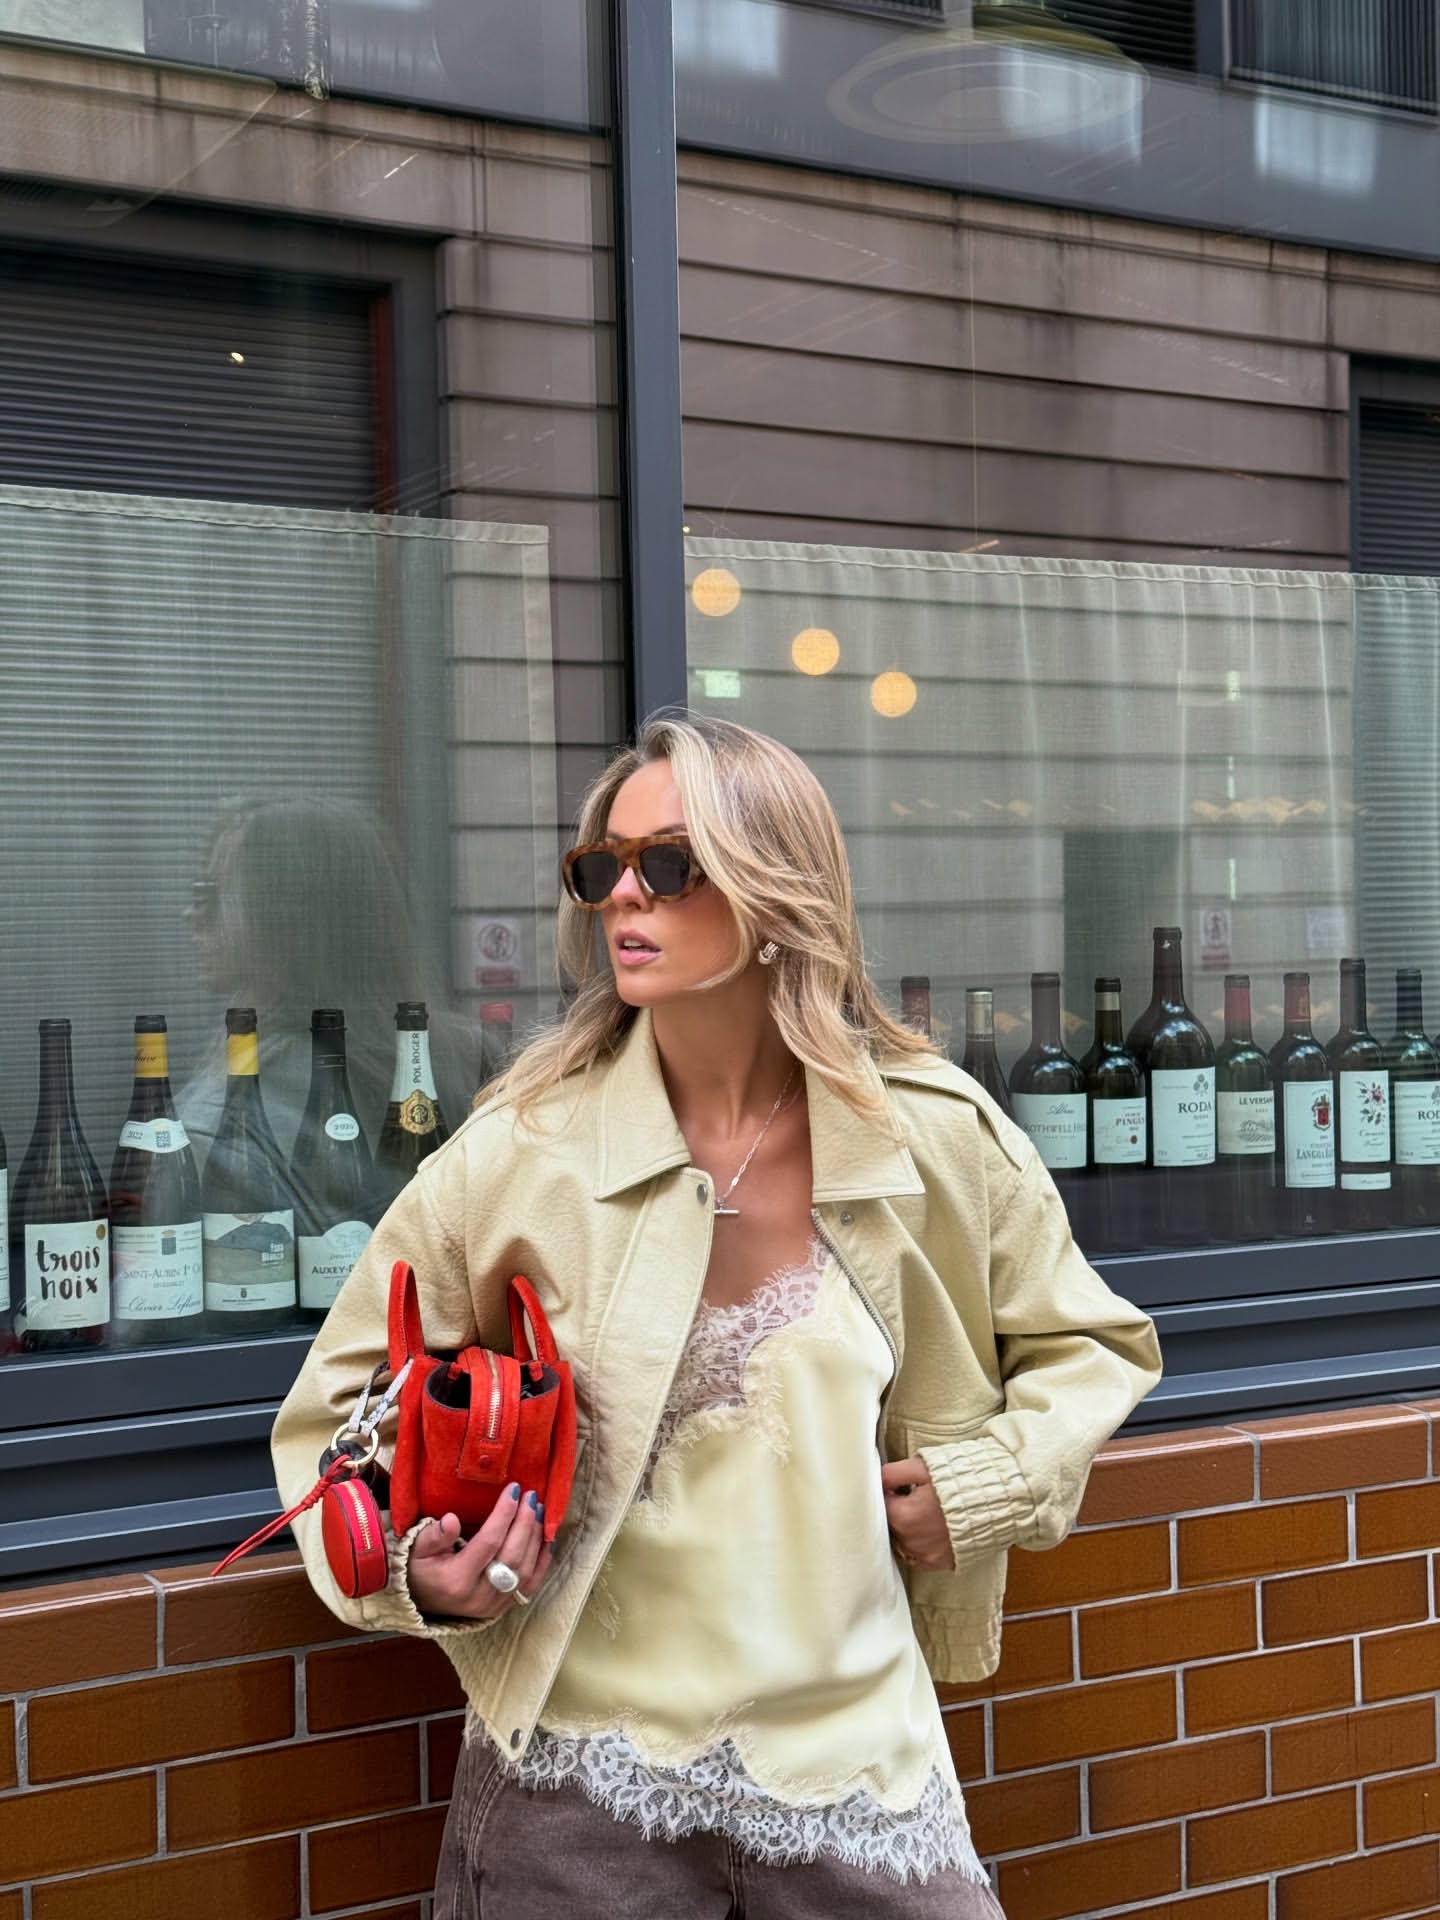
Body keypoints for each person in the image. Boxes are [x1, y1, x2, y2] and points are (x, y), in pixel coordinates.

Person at [273, 712, 1161, 1918]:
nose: (625, 896)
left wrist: (991, 1482)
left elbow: (1095, 1344)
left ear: (777, 887)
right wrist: (420, 1576)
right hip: (577, 1795)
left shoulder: (934, 1137)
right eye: (604, 869)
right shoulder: (522, 1155)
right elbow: (335, 1417)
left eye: (671, 866)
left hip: (862, 1774)